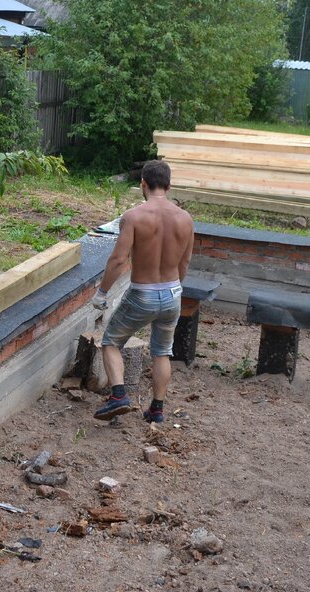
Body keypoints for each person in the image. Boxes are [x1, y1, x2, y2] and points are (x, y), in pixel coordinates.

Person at [91, 160, 194, 423]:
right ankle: (157, 410)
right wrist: (174, 289)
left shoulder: (134, 217)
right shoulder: (185, 219)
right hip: (172, 293)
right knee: (162, 351)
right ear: (169, 186)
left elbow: (118, 261)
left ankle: (118, 395)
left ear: (143, 184)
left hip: (142, 294)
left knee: (111, 342)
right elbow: (185, 262)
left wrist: (102, 293)